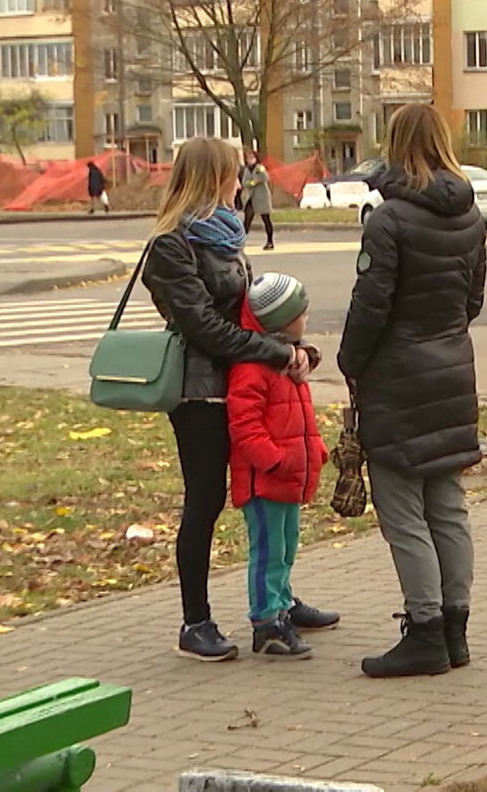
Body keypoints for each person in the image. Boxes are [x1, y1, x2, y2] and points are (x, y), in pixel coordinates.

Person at [142, 137, 335, 662]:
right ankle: (195, 622)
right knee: (203, 502)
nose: (240, 181)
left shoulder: (227, 236)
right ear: (210, 177)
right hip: (201, 394)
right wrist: (273, 354)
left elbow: (252, 313)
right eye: (232, 173)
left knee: (274, 499)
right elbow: (203, 326)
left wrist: (292, 350)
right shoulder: (169, 246)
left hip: (248, 385)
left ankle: (278, 602)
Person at [339, 103, 487, 679]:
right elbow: (472, 300)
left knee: (401, 508)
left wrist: (352, 364)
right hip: (452, 367)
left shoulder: (389, 219)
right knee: (447, 504)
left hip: (398, 375)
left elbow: (369, 306)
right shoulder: (470, 216)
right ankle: (455, 629)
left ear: (396, 145)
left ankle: (423, 630)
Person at [228, 272, 329, 659]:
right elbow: (244, 425)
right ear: (284, 320)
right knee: (268, 550)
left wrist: (313, 450)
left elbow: (300, 417)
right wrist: (273, 460)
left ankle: (283, 604)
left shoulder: (289, 361)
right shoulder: (253, 367)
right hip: (267, 479)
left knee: (286, 546)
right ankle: (266, 620)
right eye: (302, 314)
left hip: (289, 475)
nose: (306, 320)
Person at [240, 151, 275, 251]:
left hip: (262, 197)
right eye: (248, 158)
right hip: (251, 197)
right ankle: (241, 241)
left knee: (266, 219)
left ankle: (270, 241)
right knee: (247, 219)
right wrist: (252, 182)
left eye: (252, 157)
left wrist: (260, 174)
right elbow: (244, 183)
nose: (250, 160)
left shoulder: (260, 168)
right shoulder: (247, 170)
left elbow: (265, 178)